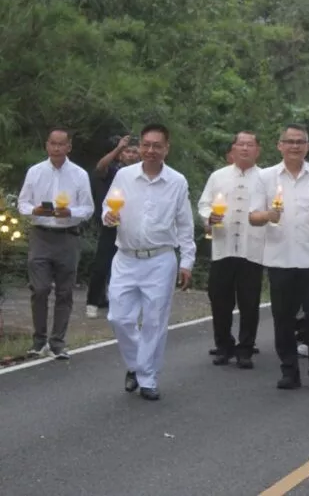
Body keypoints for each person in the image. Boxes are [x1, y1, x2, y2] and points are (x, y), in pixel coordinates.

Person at [103, 124, 195, 400]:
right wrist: (108, 215)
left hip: (160, 259)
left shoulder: (177, 181)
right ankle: (136, 365)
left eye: (157, 145)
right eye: (146, 144)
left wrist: (187, 261)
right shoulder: (124, 176)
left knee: (154, 321)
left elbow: (184, 224)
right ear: (140, 146)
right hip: (126, 257)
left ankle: (147, 378)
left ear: (166, 148)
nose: (150, 150)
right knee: (118, 317)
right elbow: (109, 206)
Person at [249, 124, 309, 391]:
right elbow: (253, 217)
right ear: (280, 145)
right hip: (280, 258)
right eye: (290, 142)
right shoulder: (265, 177)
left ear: (308, 146)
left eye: (300, 142)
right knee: (283, 317)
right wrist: (268, 216)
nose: (295, 146)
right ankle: (289, 370)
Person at [18, 127, 95, 359]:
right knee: (39, 289)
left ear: (69, 146)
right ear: (47, 145)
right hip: (41, 234)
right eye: (53, 143)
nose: (57, 148)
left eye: (62, 144)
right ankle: (39, 340)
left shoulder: (80, 174)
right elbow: (22, 203)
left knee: (64, 291)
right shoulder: (35, 172)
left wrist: (70, 212)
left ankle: (58, 341)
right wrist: (35, 210)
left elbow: (89, 208)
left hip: (67, 236)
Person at [197, 132, 266, 369]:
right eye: (240, 144)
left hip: (253, 248)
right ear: (233, 149)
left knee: (249, 301)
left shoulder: (266, 178)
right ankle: (224, 345)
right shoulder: (218, 176)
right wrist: (209, 217)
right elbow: (204, 203)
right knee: (220, 299)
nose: (245, 149)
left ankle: (246, 348)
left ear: (258, 150)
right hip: (223, 246)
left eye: (250, 144)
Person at [86, 134, 139, 318]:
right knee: (102, 264)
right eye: (127, 151)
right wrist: (118, 148)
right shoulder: (113, 170)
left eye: (134, 151)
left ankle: (121, 301)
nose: (131, 155)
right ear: (120, 154)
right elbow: (100, 167)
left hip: (133, 226)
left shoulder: (142, 173)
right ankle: (93, 301)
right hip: (111, 222)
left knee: (128, 266)